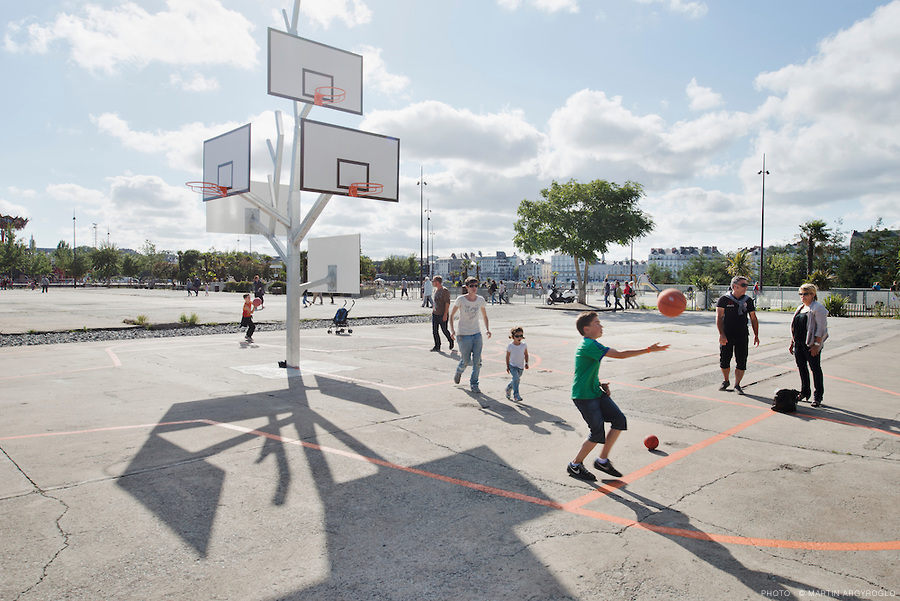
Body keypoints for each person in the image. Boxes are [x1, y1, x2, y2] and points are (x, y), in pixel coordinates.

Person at [566, 311, 669, 481]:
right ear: (586, 329)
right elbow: (620, 355)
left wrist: (600, 384)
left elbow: (586, 370)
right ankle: (575, 465)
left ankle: (602, 460)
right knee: (596, 432)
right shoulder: (589, 345)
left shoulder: (591, 344)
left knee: (619, 420)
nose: (601, 326)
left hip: (595, 391)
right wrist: (648, 349)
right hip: (584, 396)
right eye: (597, 323)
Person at [716, 276, 760, 395]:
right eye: (743, 285)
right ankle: (726, 380)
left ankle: (737, 384)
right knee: (724, 360)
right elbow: (719, 317)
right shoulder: (724, 299)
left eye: (746, 285)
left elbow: (753, 318)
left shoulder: (748, 300)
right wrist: (721, 334)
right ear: (735, 286)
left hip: (742, 334)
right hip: (727, 334)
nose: (746, 287)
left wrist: (756, 335)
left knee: (741, 360)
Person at [449, 276, 491, 393]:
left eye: (476, 286)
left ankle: (474, 383)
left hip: (476, 334)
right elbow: (451, 315)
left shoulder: (480, 300)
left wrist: (487, 329)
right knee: (466, 360)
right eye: (471, 286)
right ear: (467, 287)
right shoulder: (461, 300)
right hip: (463, 335)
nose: (474, 288)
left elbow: (485, 316)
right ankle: (459, 370)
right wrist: (452, 331)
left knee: (477, 361)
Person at [790, 283, 829, 407]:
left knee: (815, 369)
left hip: (811, 344)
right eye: (800, 294)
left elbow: (821, 328)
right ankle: (805, 391)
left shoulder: (818, 308)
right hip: (799, 343)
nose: (802, 296)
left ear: (813, 294)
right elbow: (795, 327)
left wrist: (817, 344)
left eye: (805, 294)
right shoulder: (801, 308)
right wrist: (792, 342)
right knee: (802, 368)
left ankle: (818, 396)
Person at [505, 327, 529, 402]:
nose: (519, 338)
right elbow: (507, 356)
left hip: (520, 367)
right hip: (512, 366)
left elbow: (526, 354)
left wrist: (526, 363)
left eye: (521, 336)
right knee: (516, 379)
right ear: (513, 336)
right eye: (517, 336)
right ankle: (516, 395)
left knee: (516, 380)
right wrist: (507, 366)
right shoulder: (510, 346)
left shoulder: (523, 345)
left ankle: (508, 388)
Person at [430, 275, 453, 352]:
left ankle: (450, 340)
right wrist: (433, 310)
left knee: (444, 330)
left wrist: (445, 314)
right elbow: (435, 301)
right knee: (435, 331)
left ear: (437, 282)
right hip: (435, 314)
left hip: (442, 314)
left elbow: (447, 303)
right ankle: (437, 345)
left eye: (433, 281)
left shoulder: (444, 291)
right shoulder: (435, 290)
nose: (432, 283)